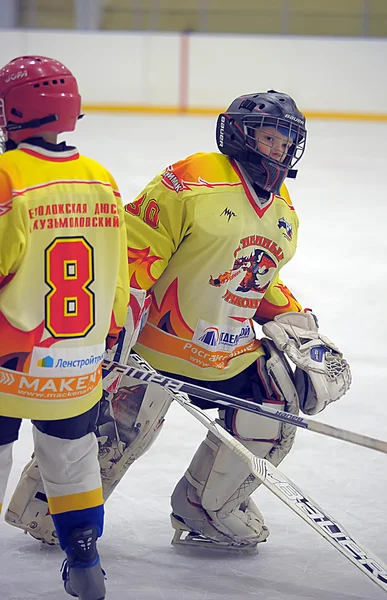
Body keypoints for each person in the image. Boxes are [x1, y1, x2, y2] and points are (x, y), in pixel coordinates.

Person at [5, 90, 352, 555]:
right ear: (242, 134)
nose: (280, 151)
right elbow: (132, 255)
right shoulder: (191, 180)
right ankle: (48, 505)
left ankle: (205, 506)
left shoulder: (283, 209)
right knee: (114, 437)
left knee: (277, 397)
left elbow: (256, 276)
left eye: (288, 143)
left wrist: (295, 318)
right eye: (271, 138)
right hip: (154, 350)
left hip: (226, 354)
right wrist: (112, 330)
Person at [0, 55, 130, 599]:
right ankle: (84, 561)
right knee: (72, 460)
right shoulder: (101, 179)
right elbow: (120, 282)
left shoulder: (9, 178)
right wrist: (111, 341)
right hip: (77, 362)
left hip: (9, 362)